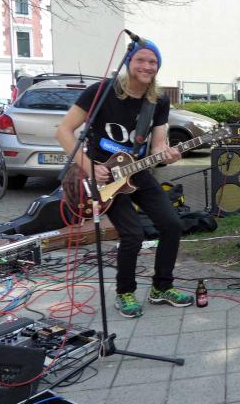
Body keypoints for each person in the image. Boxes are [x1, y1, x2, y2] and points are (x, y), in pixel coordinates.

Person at [56, 39, 193, 318]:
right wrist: (89, 167)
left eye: (153, 62)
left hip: (137, 171)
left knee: (172, 225)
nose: (147, 66)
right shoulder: (101, 92)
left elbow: (158, 146)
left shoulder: (158, 100)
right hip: (102, 176)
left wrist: (167, 154)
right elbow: (63, 131)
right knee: (133, 234)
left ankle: (161, 288)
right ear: (129, 62)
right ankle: (125, 292)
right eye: (141, 60)